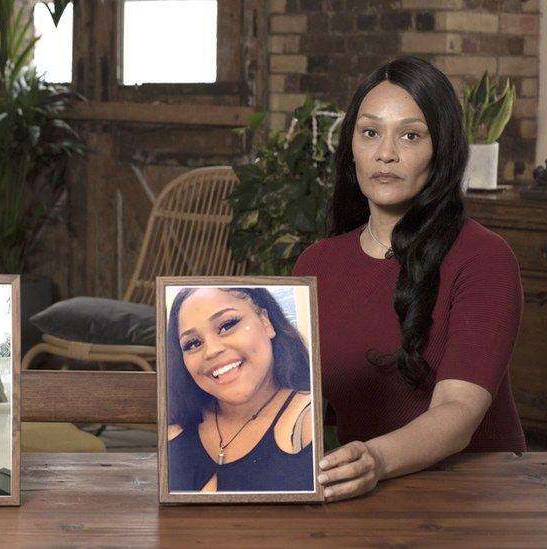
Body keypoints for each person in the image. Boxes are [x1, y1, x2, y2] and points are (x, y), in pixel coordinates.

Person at [292, 56, 526, 503]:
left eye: (410, 135)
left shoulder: (484, 258)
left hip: (481, 495)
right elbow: (292, 403)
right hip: (365, 494)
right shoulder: (315, 264)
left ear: (442, 149)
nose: (386, 153)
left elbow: (457, 412)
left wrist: (374, 460)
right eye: (370, 132)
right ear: (352, 148)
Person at [166, 286, 314, 492]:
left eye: (227, 325)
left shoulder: (309, 421)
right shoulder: (173, 429)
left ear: (266, 322)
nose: (212, 350)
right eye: (193, 343)